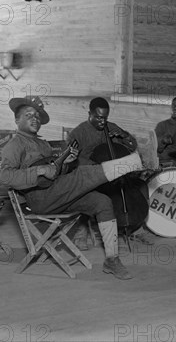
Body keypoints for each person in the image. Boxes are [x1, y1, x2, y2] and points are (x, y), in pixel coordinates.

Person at [0, 96, 142, 280]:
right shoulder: (14, 145)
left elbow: (55, 174)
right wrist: (39, 170)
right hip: (39, 199)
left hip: (56, 194)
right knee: (82, 174)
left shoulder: (43, 144)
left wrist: (65, 164)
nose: (35, 118)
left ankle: (112, 259)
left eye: (37, 115)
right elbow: (5, 177)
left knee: (102, 202)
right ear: (17, 120)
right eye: (28, 115)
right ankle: (133, 163)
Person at [66, 97, 153, 247]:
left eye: (105, 118)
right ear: (90, 114)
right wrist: (95, 167)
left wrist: (124, 135)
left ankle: (136, 227)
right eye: (99, 118)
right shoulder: (78, 133)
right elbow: (70, 162)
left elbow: (132, 146)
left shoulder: (111, 127)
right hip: (90, 175)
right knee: (87, 194)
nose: (102, 122)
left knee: (138, 185)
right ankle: (82, 230)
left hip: (115, 174)